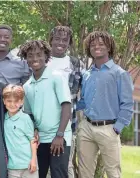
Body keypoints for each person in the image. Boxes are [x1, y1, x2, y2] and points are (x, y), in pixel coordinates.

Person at [76, 31, 134, 178]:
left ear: (109, 47)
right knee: (84, 173)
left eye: (101, 44)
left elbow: (127, 104)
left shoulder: (119, 73)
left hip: (109, 129)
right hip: (86, 128)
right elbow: (84, 101)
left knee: (113, 173)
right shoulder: (86, 74)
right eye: (93, 44)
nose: (96, 47)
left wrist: (117, 128)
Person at [19, 40, 72, 178]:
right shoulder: (27, 86)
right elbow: (29, 114)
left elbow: (66, 106)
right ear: (26, 58)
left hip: (59, 138)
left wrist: (60, 135)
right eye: (30, 55)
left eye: (39, 54)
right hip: (41, 140)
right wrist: (34, 130)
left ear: (46, 56)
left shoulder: (56, 77)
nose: (35, 58)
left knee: (58, 174)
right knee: (38, 175)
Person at [47, 26, 85, 178]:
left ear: (69, 43)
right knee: (44, 167)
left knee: (65, 166)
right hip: (43, 122)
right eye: (57, 39)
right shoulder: (41, 59)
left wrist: (75, 107)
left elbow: (83, 92)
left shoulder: (75, 63)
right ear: (50, 40)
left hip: (67, 124)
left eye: (65, 40)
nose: (60, 43)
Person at [3, 84, 38, 178]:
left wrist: (33, 161)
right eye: (9, 101)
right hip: (12, 166)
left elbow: (32, 140)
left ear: (22, 101)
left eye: (16, 101)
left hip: (29, 165)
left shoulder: (25, 118)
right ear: (4, 101)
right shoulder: (3, 119)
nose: (12, 104)